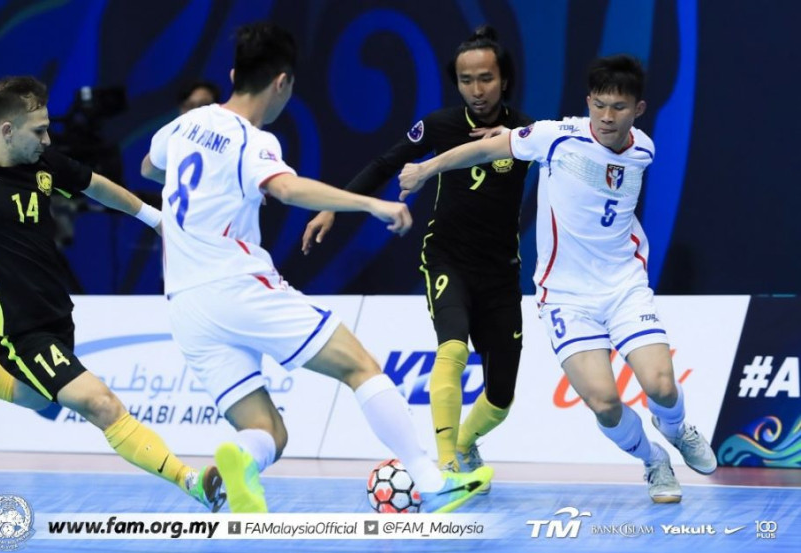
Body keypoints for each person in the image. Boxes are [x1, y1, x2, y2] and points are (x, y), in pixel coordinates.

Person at [140, 22, 492, 514]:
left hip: (184, 305)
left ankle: (241, 459)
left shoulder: (184, 125)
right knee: (360, 366)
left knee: (267, 431)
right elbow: (286, 188)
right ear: (282, 82)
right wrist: (370, 204)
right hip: (237, 285)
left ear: (234, 75)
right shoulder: (252, 141)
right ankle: (432, 483)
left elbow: (148, 168)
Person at [398, 54, 717, 503]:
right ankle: (654, 461)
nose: (607, 117)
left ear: (638, 110)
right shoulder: (556, 137)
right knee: (604, 403)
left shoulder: (644, 149)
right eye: (599, 105)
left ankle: (677, 429)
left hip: (624, 286)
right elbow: (486, 150)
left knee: (662, 386)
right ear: (588, 102)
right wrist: (426, 168)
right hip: (566, 296)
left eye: (619, 108)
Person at [0, 76, 224, 512]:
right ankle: (192, 481)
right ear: (7, 130)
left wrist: (156, 220)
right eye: (39, 131)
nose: (48, 139)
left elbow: (96, 185)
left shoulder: (43, 163)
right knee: (101, 404)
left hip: (57, 316)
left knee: (33, 396)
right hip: (21, 331)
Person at [302, 26, 532, 491]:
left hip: (501, 271)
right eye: (466, 80)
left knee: (501, 397)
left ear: (504, 80)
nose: (477, 89)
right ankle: (447, 468)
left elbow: (574, 151)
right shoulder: (439, 125)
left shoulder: (527, 133)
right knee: (452, 348)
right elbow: (384, 164)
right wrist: (332, 207)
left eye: (486, 78)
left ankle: (464, 444)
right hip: (447, 257)